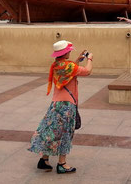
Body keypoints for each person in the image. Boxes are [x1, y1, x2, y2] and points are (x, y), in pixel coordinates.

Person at [29, 40, 93, 174]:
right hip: (67, 105)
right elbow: (87, 71)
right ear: (66, 53)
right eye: (69, 51)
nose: (70, 52)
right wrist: (90, 59)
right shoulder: (68, 66)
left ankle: (44, 160)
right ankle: (62, 164)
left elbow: (70, 69)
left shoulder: (57, 65)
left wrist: (77, 60)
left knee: (50, 132)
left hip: (55, 104)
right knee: (65, 133)